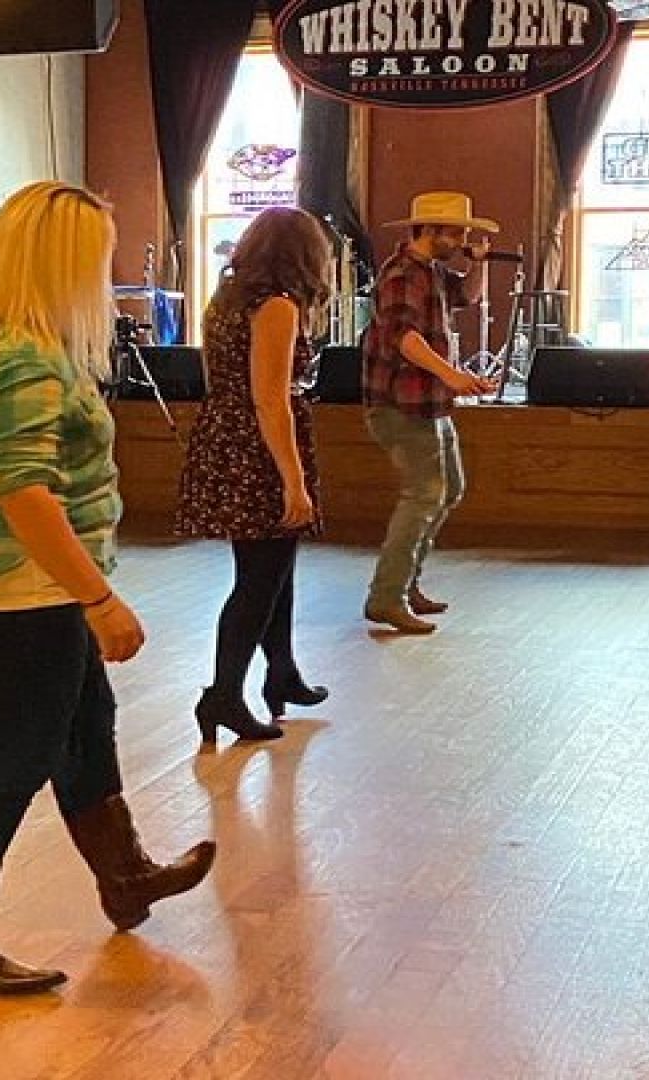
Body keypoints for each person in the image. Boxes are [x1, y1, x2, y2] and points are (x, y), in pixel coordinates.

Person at [0, 182, 215, 994]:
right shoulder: (22, 357)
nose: (106, 270)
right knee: (18, 753)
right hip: (16, 585)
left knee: (83, 726)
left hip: (9, 579)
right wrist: (99, 599)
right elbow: (23, 493)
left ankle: (127, 876)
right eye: (98, 254)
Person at [173, 206, 333, 744]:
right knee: (259, 579)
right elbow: (270, 399)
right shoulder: (278, 307)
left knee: (273, 566)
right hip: (258, 449)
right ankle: (223, 695)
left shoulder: (227, 298)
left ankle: (282, 672)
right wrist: (293, 478)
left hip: (225, 435)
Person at [359, 191, 501, 634]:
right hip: (401, 403)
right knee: (423, 494)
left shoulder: (433, 272)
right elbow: (404, 337)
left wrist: (476, 263)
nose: (463, 238)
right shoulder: (402, 274)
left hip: (429, 402)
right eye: (457, 231)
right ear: (430, 231)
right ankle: (387, 597)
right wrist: (453, 374)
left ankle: (406, 583)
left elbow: (468, 298)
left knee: (449, 489)